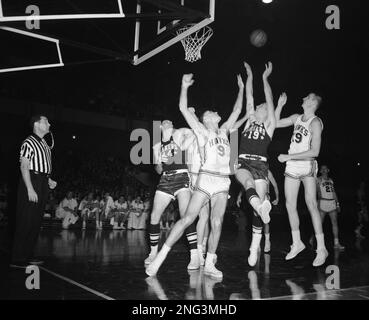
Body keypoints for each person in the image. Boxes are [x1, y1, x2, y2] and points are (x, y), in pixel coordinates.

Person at [146, 72, 244, 279]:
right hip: (205, 179)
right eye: (211, 111)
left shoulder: (224, 130)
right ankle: (159, 257)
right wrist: (184, 86)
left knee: (217, 222)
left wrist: (242, 89)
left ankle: (209, 263)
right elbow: (183, 108)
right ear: (206, 119)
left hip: (223, 181)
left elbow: (237, 109)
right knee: (187, 218)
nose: (216, 111)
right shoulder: (200, 130)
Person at [275, 92, 328, 266]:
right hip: (292, 165)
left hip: (306, 164)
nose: (303, 97)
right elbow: (275, 123)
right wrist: (280, 106)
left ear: (312, 102)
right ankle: (297, 242)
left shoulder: (315, 122)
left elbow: (315, 152)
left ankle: (321, 248)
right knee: (290, 205)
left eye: (308, 96)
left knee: (311, 204)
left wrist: (289, 157)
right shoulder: (297, 117)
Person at [234, 61, 276, 266]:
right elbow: (250, 97)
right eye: (258, 106)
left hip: (261, 165)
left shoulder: (270, 125)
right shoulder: (250, 121)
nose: (259, 105)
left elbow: (269, 99)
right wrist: (250, 75)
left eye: (263, 106)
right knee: (248, 186)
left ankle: (254, 247)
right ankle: (260, 207)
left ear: (267, 112)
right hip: (243, 162)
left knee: (257, 210)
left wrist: (265, 78)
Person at [144, 119, 200, 270]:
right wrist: (159, 164)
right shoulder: (157, 145)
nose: (169, 122)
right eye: (166, 122)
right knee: (154, 215)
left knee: (185, 216)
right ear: (161, 127)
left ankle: (194, 256)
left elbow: (195, 132)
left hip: (182, 176)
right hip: (165, 179)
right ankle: (153, 252)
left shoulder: (179, 135)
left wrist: (183, 127)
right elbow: (157, 169)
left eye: (170, 121)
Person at [11, 115, 57, 267]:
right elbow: (24, 166)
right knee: (26, 219)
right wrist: (30, 188)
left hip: (42, 182)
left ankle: (28, 254)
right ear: (37, 124)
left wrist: (48, 179)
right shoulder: (28, 142)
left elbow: (43, 167)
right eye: (46, 121)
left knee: (36, 221)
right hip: (31, 181)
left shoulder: (45, 144)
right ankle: (17, 258)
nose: (49, 123)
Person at [312, 165, 344, 249]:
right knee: (319, 224)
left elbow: (334, 193)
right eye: (322, 169)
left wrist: (337, 204)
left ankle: (336, 243)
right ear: (320, 171)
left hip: (332, 203)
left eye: (325, 168)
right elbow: (313, 191)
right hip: (322, 202)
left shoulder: (331, 180)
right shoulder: (318, 179)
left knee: (334, 223)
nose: (323, 169)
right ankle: (314, 239)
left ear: (328, 170)